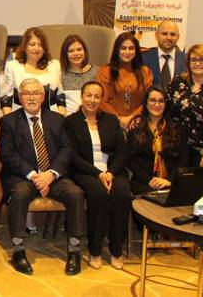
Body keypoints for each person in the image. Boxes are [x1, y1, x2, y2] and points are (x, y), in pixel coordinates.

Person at [0, 78, 85, 276]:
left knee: (75, 194)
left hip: (52, 175)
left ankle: (74, 250)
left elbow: (67, 149)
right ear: (20, 97)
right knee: (19, 194)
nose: (31, 97)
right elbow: (7, 154)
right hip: (22, 176)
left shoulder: (58, 120)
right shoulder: (8, 121)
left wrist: (51, 174)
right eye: (26, 93)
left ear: (43, 96)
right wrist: (34, 176)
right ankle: (18, 250)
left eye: (36, 93)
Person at [63, 81, 129, 270]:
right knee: (98, 194)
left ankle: (116, 250)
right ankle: (95, 250)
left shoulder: (111, 120)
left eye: (97, 96)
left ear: (101, 100)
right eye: (88, 95)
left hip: (112, 171)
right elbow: (72, 156)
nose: (92, 100)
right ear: (82, 97)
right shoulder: (70, 122)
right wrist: (99, 174)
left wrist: (110, 173)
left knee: (122, 193)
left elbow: (122, 152)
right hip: (86, 171)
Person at [125, 87, 190, 194]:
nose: (157, 104)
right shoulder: (136, 128)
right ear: (146, 103)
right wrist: (150, 181)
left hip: (172, 182)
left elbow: (184, 159)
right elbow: (130, 161)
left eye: (161, 101)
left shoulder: (177, 128)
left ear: (166, 104)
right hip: (144, 182)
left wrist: (169, 181)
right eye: (152, 100)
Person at [0, 27, 63, 116]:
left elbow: (60, 97)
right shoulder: (12, 66)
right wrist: (9, 121)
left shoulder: (54, 65)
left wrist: (60, 119)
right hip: (20, 119)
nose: (36, 48)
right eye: (32, 44)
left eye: (40, 45)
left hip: (52, 118)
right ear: (25, 46)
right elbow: (6, 99)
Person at [95, 32, 153, 128]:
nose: (127, 52)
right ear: (117, 50)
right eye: (123, 48)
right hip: (110, 123)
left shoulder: (145, 72)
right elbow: (102, 100)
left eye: (131, 48)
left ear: (136, 50)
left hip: (137, 123)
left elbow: (148, 100)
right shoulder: (105, 71)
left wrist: (132, 117)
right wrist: (119, 120)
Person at [143, 21, 186, 87]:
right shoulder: (143, 58)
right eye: (164, 34)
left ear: (178, 37)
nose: (169, 38)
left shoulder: (186, 59)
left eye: (172, 34)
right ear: (156, 35)